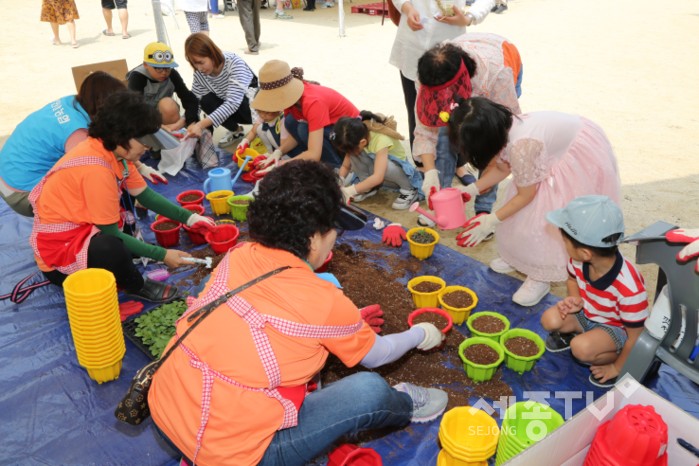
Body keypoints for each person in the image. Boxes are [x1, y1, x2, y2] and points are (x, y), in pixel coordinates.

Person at [149, 160, 448, 466]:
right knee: (369, 390)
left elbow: (258, 314)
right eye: (334, 229)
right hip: (233, 455)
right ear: (313, 239)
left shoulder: (238, 255)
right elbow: (378, 354)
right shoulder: (324, 301)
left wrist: (337, 324)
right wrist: (420, 333)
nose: (335, 238)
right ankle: (406, 404)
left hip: (166, 409)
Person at [28, 90, 216, 302]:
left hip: (84, 228)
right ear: (121, 136)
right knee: (112, 248)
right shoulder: (96, 170)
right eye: (144, 141)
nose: (148, 147)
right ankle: (137, 285)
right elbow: (110, 233)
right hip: (61, 253)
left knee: (124, 230)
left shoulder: (115, 154)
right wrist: (163, 255)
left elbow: (146, 196)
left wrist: (190, 218)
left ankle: (128, 261)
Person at [447, 97, 621, 307]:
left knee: (544, 216)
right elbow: (503, 167)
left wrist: (491, 220)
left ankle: (540, 275)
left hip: (574, 152)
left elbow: (526, 195)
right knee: (520, 214)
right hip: (544, 146)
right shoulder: (502, 129)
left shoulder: (522, 146)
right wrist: (471, 189)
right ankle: (517, 258)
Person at [0, 72, 167, 217]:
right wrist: (135, 191)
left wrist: (141, 167)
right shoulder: (79, 135)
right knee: (103, 192)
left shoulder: (74, 102)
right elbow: (102, 169)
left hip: (7, 174)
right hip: (22, 193)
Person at [540, 195, 649, 388]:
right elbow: (572, 279)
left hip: (615, 329)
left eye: (565, 241)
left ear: (585, 253)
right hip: (587, 313)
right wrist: (575, 299)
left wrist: (616, 368)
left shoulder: (630, 289)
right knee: (550, 320)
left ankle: (617, 357)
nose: (564, 246)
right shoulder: (578, 261)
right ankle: (579, 336)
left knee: (580, 350)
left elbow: (636, 337)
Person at [414, 33, 523, 225]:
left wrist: (479, 186)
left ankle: (483, 209)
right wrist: (430, 172)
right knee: (443, 136)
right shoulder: (429, 76)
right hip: (471, 61)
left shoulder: (496, 75)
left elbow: (505, 134)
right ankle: (440, 200)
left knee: (489, 141)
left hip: (502, 55)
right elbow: (426, 130)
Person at [388, 0, 494, 150]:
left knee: (456, 112)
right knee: (417, 110)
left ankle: (458, 158)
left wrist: (469, 17)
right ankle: (420, 159)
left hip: (450, 50)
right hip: (412, 44)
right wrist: (407, 7)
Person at [252, 60, 359, 169]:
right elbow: (294, 137)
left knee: (303, 129)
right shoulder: (291, 100)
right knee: (290, 121)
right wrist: (279, 152)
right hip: (331, 130)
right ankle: (314, 161)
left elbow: (314, 154)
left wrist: (280, 165)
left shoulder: (313, 102)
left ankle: (337, 167)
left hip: (350, 135)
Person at [332, 111, 421, 210]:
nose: (347, 153)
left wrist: (351, 190)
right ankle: (368, 187)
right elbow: (345, 166)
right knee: (355, 155)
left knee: (384, 166)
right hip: (380, 175)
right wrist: (339, 182)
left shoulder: (381, 140)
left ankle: (409, 189)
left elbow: (378, 177)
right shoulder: (358, 136)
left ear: (363, 142)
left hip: (399, 176)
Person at [184, 33, 258, 147]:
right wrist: (188, 123)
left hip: (252, 107)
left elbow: (232, 103)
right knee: (205, 101)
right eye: (194, 64)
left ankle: (259, 129)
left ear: (212, 54)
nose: (199, 68)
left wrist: (200, 125)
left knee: (243, 101)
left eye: (201, 62)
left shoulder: (233, 62)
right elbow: (194, 101)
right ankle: (236, 131)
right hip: (232, 108)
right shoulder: (199, 74)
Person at [127, 42, 200, 132]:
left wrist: (183, 122)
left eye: (167, 68)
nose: (164, 73)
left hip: (164, 116)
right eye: (158, 68)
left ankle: (173, 136)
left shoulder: (172, 74)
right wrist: (157, 126)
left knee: (168, 105)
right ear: (146, 65)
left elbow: (190, 100)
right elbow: (133, 109)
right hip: (142, 118)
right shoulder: (137, 77)